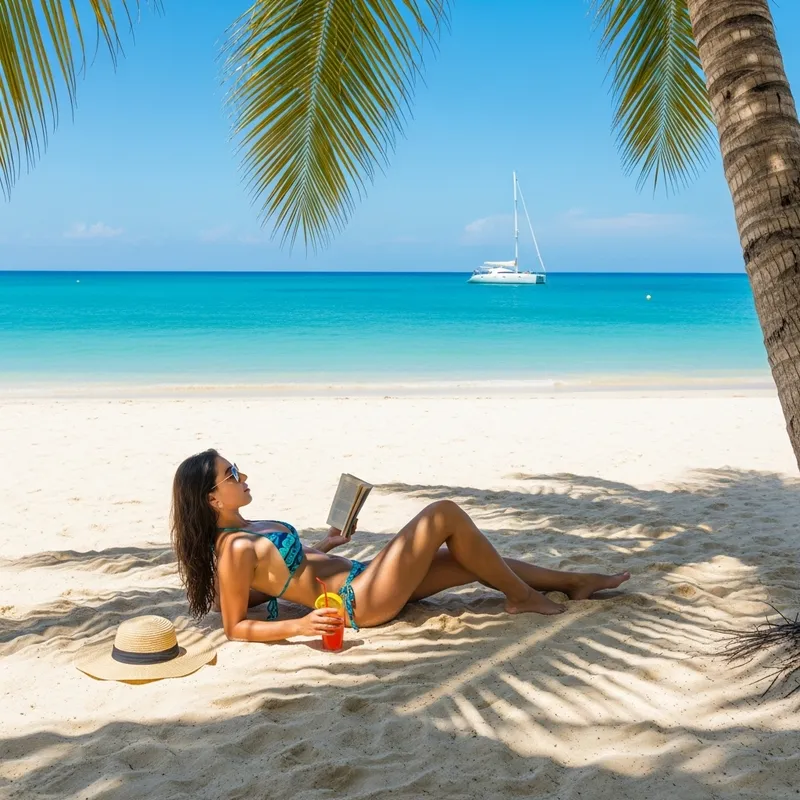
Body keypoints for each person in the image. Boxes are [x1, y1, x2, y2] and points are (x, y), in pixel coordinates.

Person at [171, 449, 630, 643]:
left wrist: (323, 545)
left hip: (362, 575)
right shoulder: (231, 550)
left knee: (468, 558)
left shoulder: (249, 526)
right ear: (212, 498)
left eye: (238, 468)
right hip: (357, 601)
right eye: (232, 475)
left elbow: (278, 573)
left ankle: (575, 582)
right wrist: (301, 625)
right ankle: (522, 597)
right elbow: (235, 627)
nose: (243, 476)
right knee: (443, 513)